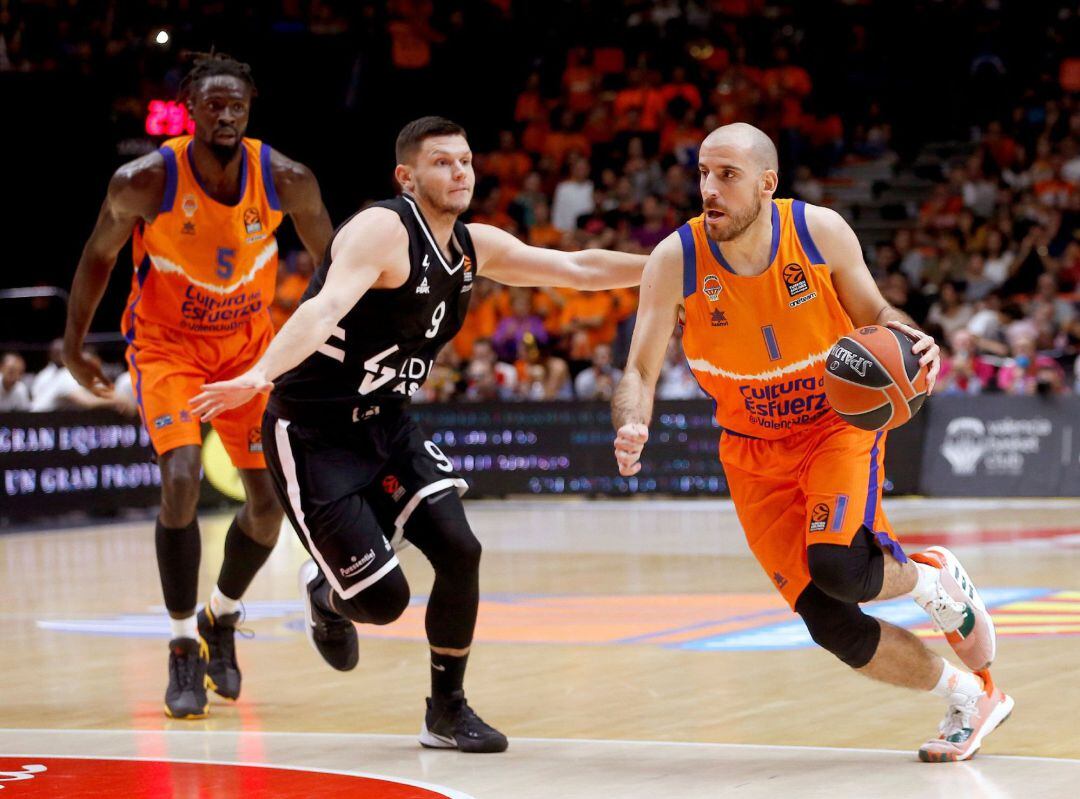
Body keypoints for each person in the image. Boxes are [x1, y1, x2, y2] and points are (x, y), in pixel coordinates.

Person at [191, 116, 646, 753]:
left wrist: (668, 269)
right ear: (407, 175)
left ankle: (446, 710)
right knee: (381, 603)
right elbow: (321, 309)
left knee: (461, 549)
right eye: (442, 162)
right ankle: (327, 591)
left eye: (465, 160)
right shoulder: (382, 229)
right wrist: (261, 373)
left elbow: (575, 267)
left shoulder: (471, 245)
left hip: (389, 425)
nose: (460, 172)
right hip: (315, 434)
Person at [612, 123, 1011, 763]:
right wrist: (633, 421)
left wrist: (916, 341)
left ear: (767, 183)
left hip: (834, 425)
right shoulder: (674, 259)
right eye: (703, 175)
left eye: (727, 176)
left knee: (840, 569)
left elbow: (877, 314)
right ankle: (969, 696)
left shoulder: (818, 233)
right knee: (829, 623)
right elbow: (639, 370)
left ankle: (929, 579)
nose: (709, 190)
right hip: (749, 448)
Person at [62, 52, 333, 720]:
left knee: (267, 503)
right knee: (180, 476)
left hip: (247, 350)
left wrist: (329, 345)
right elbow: (97, 258)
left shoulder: (287, 179)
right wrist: (72, 347)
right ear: (189, 108)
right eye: (212, 103)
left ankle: (223, 615)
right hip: (166, 346)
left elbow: (336, 264)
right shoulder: (145, 179)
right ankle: (183, 643)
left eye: (235, 103)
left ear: (250, 105)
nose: (225, 113)